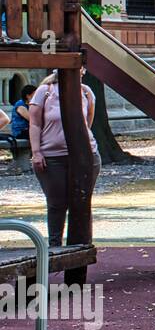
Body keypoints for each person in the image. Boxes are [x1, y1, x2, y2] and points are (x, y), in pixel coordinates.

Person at [28, 70, 100, 248]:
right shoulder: (45, 91)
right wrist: (36, 152)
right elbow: (35, 123)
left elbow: (87, 121)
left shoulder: (85, 92)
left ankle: (80, 247)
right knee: (57, 203)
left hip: (85, 156)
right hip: (52, 156)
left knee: (82, 202)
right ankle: (54, 247)